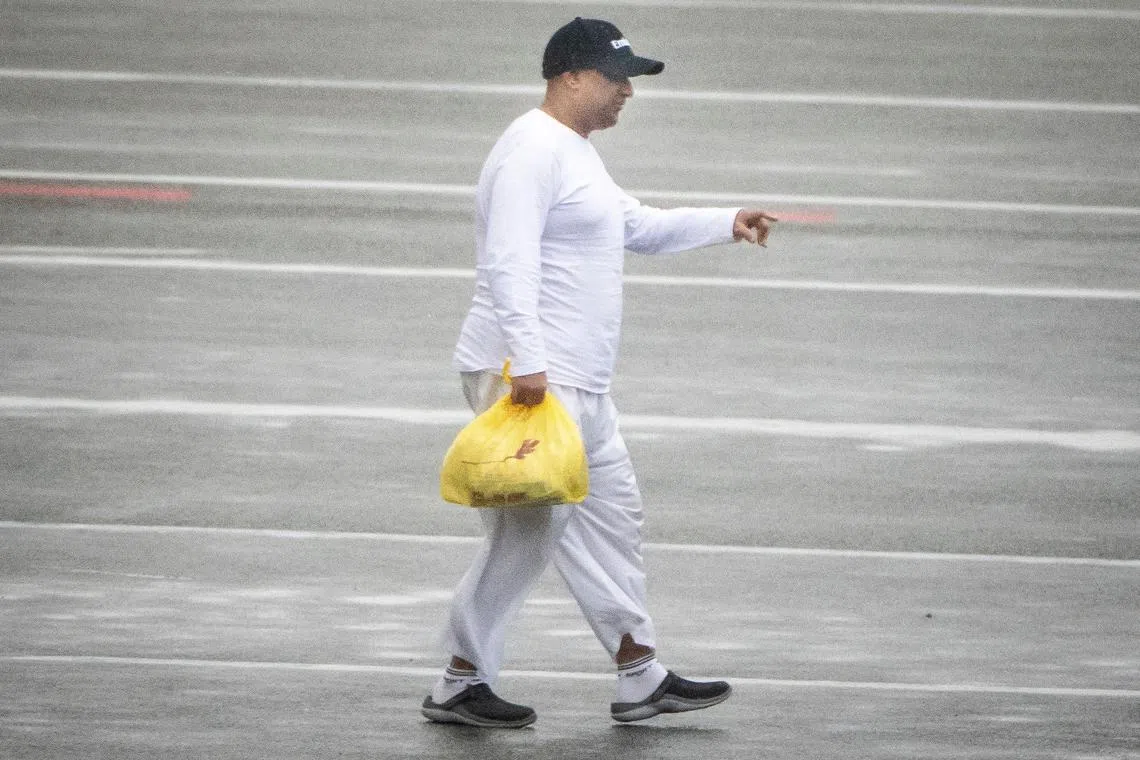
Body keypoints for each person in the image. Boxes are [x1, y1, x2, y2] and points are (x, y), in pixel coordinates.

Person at [421, 16, 777, 728]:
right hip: (532, 380)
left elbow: (633, 225)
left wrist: (724, 220)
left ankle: (640, 673)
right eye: (617, 79)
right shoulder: (531, 150)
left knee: (613, 517)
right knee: (527, 538)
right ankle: (460, 680)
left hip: (576, 382)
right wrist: (526, 360)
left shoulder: (573, 153)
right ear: (571, 76)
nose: (626, 94)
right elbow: (508, 260)